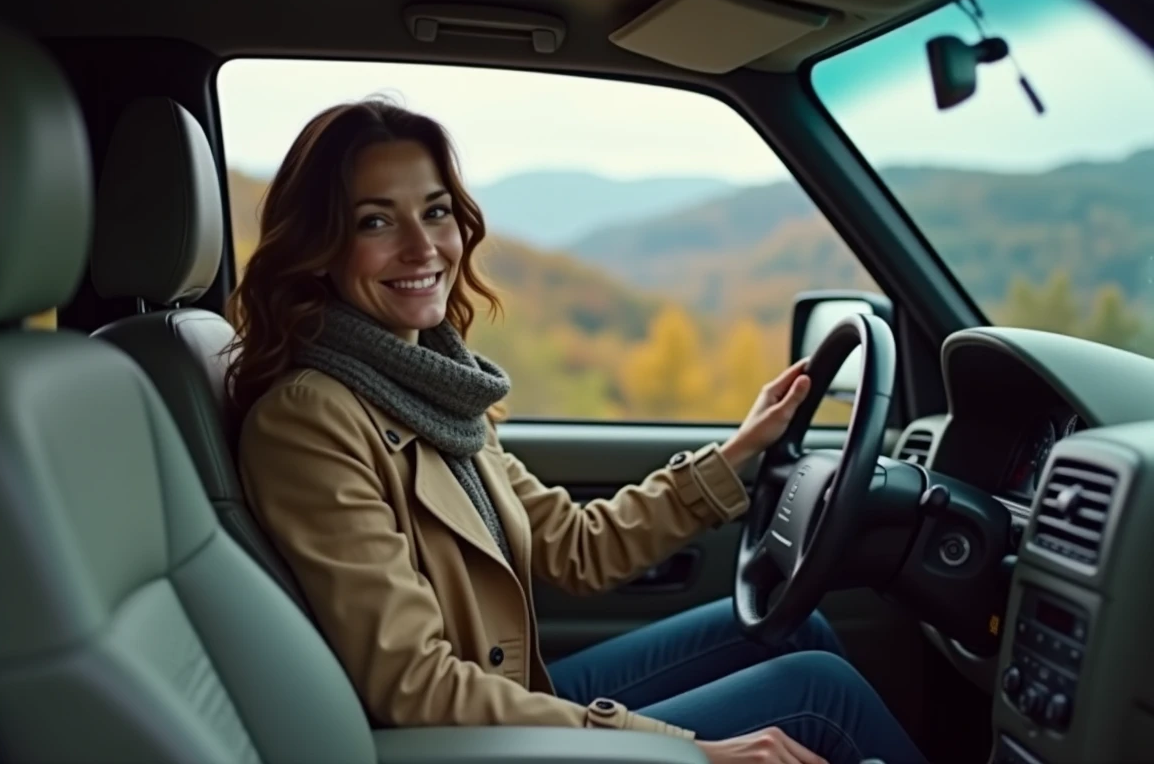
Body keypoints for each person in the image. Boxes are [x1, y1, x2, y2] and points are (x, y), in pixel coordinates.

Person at [228, 99, 926, 764]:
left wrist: (740, 450)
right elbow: (415, 687)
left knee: (794, 629)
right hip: (464, 742)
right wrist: (678, 748)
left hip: (509, 705)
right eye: (375, 223)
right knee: (818, 695)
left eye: (435, 211)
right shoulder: (310, 419)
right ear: (320, 248)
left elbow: (576, 547)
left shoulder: (432, 388)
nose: (422, 247)